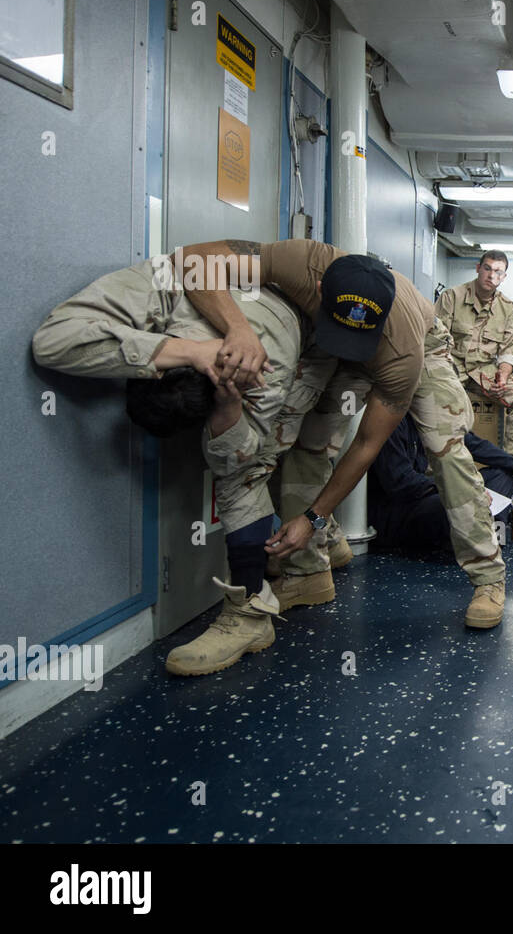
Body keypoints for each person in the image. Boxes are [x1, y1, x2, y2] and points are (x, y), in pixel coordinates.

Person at [175, 238, 508, 634]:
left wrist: (315, 517)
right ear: (320, 290)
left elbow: (367, 445)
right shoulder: (303, 262)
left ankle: (488, 577)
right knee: (304, 443)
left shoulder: (401, 352)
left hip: (415, 346)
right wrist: (238, 329)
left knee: (448, 452)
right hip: (330, 339)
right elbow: (195, 259)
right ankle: (308, 573)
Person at [30, 253, 315, 674]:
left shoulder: (265, 371)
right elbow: (51, 340)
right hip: (219, 287)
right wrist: (182, 350)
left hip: (305, 325)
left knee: (256, 467)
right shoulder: (164, 287)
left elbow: (243, 456)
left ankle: (255, 609)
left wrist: (227, 409)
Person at [369, 412, 513, 555]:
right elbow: (401, 483)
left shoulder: (429, 416)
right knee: (447, 504)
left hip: (429, 491)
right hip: (401, 508)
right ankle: (484, 528)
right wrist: (460, 489)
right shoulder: (391, 421)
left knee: (500, 475)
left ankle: (487, 529)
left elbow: (473, 444)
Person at [433, 250, 513, 458]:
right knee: (434, 398)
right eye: (487, 268)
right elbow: (436, 340)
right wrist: (446, 376)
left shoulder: (507, 308)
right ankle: (433, 465)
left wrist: (502, 378)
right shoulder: (452, 297)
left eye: (498, 272)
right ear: (478, 269)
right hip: (451, 366)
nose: (491, 276)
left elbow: (510, 349)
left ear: (503, 277)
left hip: (485, 371)